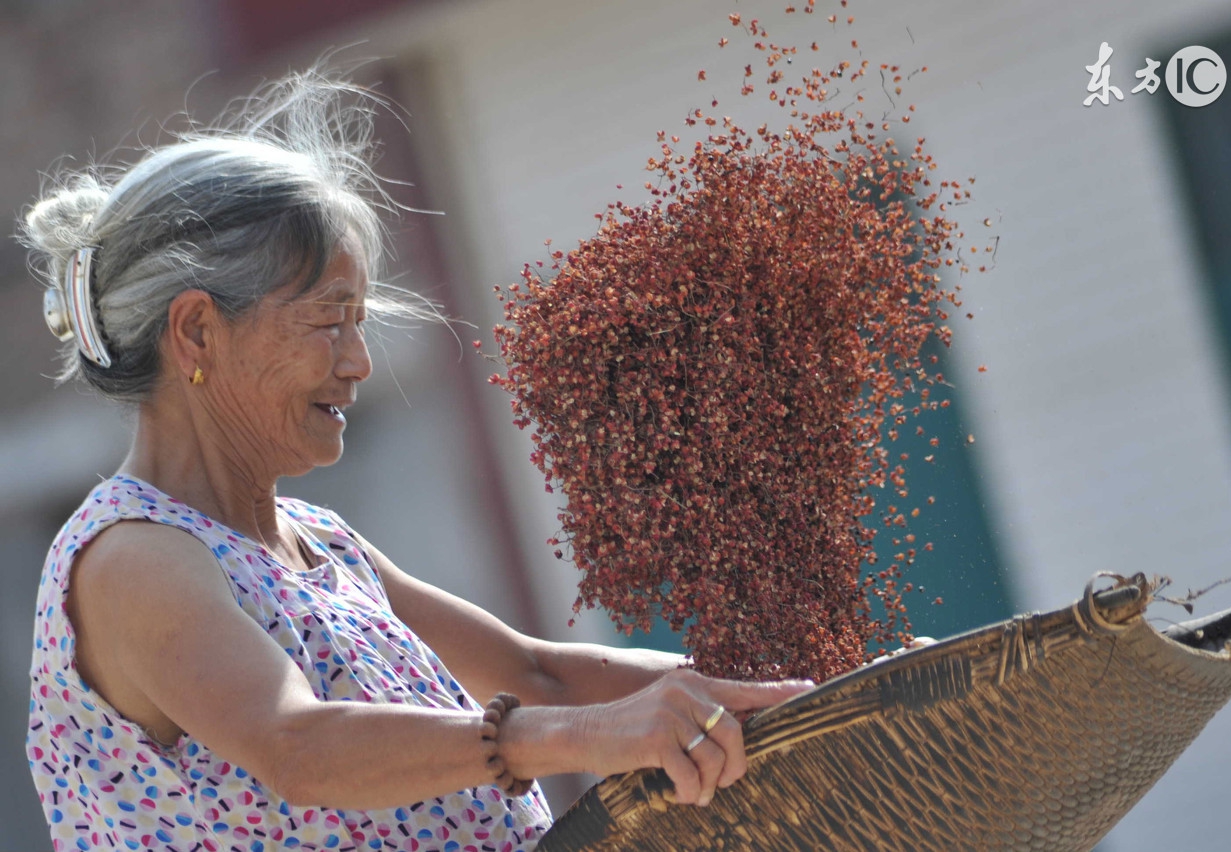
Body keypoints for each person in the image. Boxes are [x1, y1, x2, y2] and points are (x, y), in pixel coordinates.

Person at [22, 69, 811, 851]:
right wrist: (566, 738)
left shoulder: (318, 545)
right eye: (329, 322)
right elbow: (299, 746)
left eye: (358, 322)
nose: (359, 361)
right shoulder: (132, 558)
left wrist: (809, 684)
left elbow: (536, 675)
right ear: (197, 332)